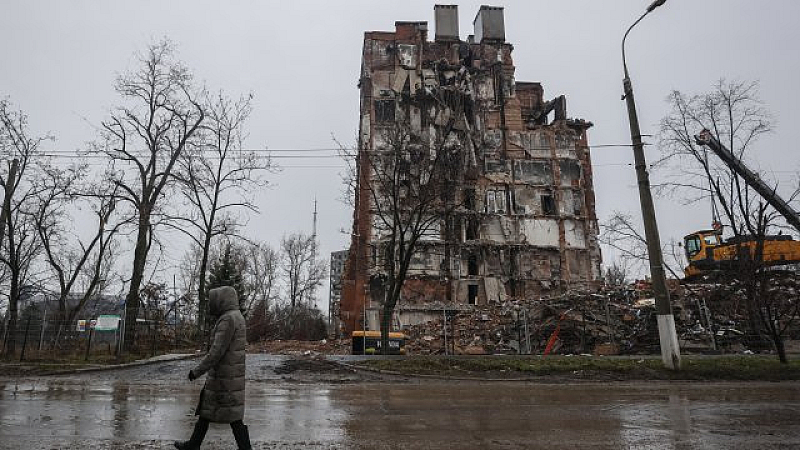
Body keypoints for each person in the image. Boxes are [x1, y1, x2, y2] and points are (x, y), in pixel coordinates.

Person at [175, 286, 251, 450]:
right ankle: (193, 445)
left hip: (224, 378)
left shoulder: (227, 319)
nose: (211, 304)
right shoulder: (237, 316)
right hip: (228, 377)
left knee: (233, 418)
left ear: (221, 301)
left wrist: (197, 371)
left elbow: (216, 352)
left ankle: (246, 449)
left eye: (213, 301)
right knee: (207, 413)